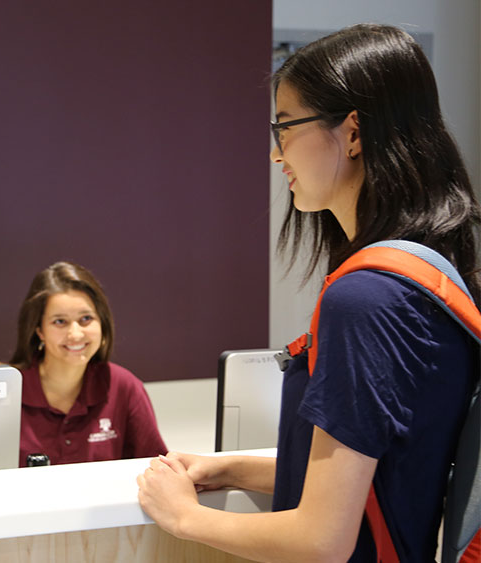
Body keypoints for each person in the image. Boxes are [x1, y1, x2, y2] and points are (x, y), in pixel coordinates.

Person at [136, 24, 480, 562]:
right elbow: (382, 474)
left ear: (352, 133)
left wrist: (184, 516)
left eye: (285, 127)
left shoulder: (366, 300)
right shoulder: (432, 277)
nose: (277, 155)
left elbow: (321, 541)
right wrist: (231, 468)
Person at [9, 261, 167, 467]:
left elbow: (158, 470)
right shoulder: (8, 392)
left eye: (86, 318)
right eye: (60, 321)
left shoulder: (124, 386)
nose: (75, 334)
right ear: (39, 330)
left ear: (102, 323)